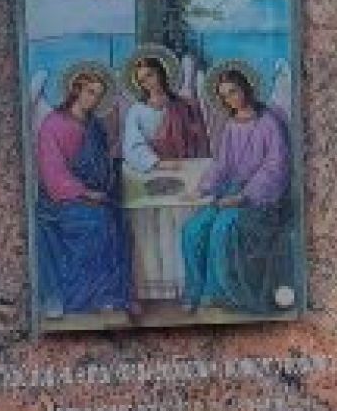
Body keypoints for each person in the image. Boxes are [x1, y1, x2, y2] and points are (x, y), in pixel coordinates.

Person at [181, 67, 294, 313]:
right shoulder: (232, 125)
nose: (230, 99)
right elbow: (223, 164)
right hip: (230, 192)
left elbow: (276, 168)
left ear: (245, 89)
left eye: (233, 92)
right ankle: (194, 292)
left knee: (222, 229)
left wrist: (243, 196)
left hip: (259, 198)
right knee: (192, 229)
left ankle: (217, 293)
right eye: (224, 95)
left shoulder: (269, 123)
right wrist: (203, 189)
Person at [33, 68, 132, 318]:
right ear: (75, 90)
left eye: (99, 94)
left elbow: (101, 161)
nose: (94, 99)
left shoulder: (95, 125)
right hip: (60, 202)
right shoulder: (53, 124)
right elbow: (53, 172)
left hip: (93, 195)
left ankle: (111, 295)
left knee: (118, 220)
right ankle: (82, 298)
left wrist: (108, 172)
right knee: (96, 223)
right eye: (90, 92)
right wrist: (85, 193)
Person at [122, 54, 210, 172]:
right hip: (154, 169)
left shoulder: (182, 104)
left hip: (185, 166)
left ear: (160, 73)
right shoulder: (136, 110)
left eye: (150, 75)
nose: (148, 82)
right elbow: (132, 145)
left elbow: (198, 139)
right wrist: (157, 163)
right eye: (142, 81)